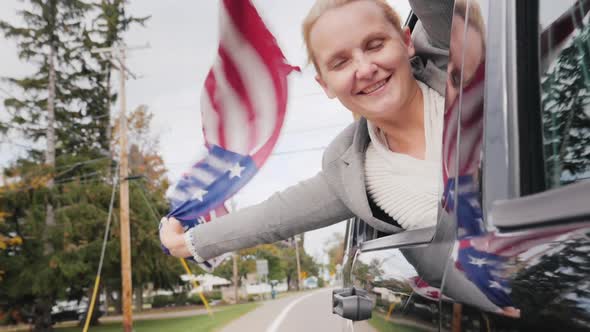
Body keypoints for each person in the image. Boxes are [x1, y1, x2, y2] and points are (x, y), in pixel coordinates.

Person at [160, 0, 454, 263]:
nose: (364, 69)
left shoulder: (458, 60)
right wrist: (186, 242)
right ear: (325, 85)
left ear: (406, 41)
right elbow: (272, 218)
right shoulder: (349, 173)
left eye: (375, 45)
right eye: (340, 63)